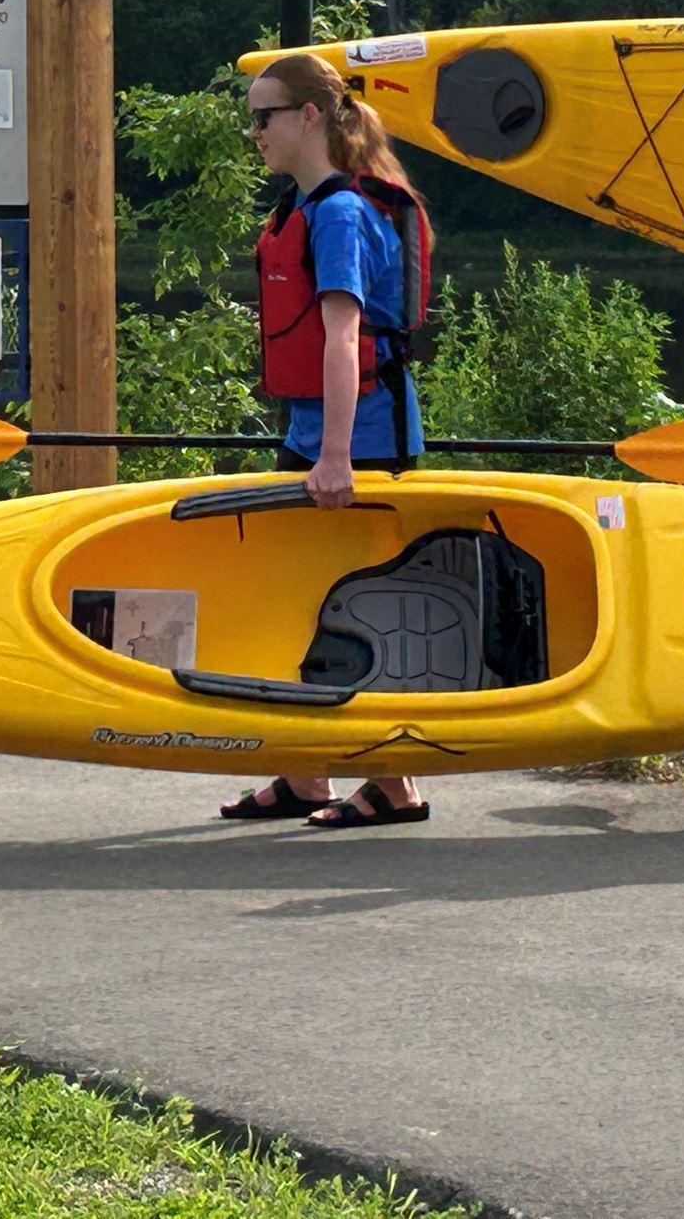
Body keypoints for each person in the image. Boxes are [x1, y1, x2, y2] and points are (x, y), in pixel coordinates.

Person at [216, 52, 437, 831]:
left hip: (361, 439)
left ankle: (396, 784)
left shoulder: (341, 213)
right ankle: (309, 774)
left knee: (356, 603)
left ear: (309, 116)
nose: (255, 133)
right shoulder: (300, 209)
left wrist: (336, 458)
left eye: (264, 116)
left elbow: (344, 338)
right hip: (318, 430)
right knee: (292, 597)